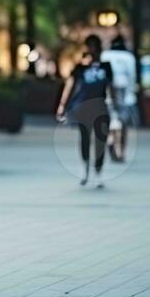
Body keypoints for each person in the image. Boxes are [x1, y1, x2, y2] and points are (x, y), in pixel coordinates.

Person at [56, 34, 114, 188]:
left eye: (95, 47)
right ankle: (85, 168)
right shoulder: (80, 67)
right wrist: (62, 106)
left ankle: (98, 171)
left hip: (101, 106)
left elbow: (111, 88)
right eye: (90, 46)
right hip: (84, 107)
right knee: (85, 139)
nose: (93, 50)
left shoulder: (106, 66)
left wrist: (114, 107)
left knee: (100, 140)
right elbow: (70, 86)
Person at [101, 35, 140, 161]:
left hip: (107, 93)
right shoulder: (128, 57)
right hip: (123, 93)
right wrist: (131, 94)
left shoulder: (105, 56)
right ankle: (120, 150)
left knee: (110, 120)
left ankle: (111, 139)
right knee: (122, 123)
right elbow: (132, 77)